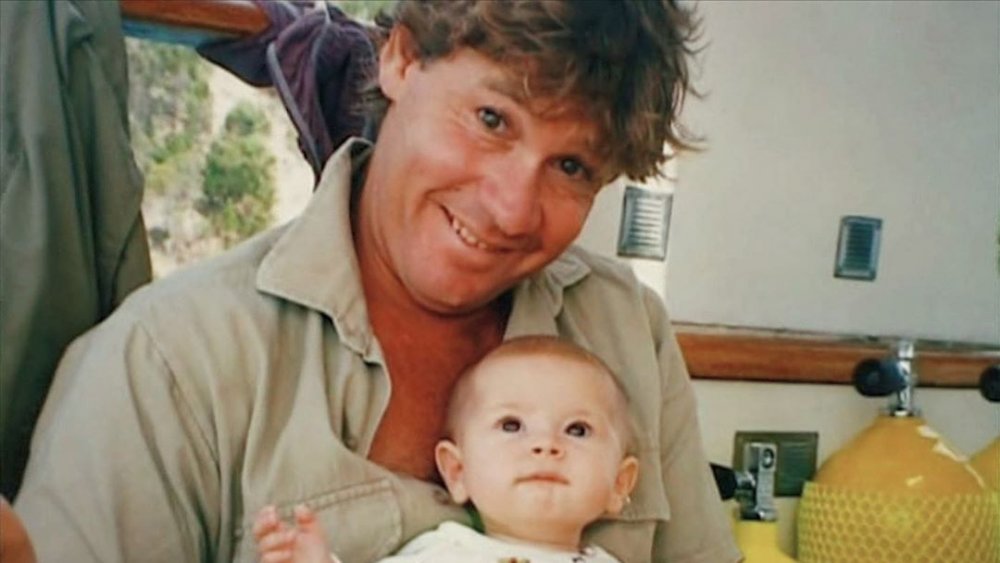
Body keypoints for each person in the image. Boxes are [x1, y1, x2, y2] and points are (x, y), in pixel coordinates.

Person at [15, 1, 741, 562]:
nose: (512, 209)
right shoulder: (167, 363)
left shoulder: (626, 328)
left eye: (573, 166)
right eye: (492, 119)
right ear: (399, 57)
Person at [255, 336, 640, 562]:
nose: (545, 445)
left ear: (620, 484)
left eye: (577, 429)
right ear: (457, 471)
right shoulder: (443, 553)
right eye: (511, 425)